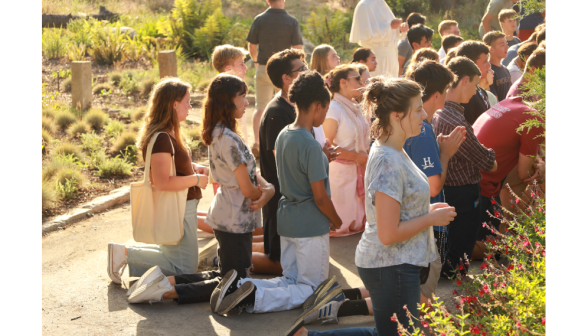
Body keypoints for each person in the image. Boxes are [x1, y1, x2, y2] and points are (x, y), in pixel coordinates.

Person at [291, 77, 457, 336]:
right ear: (396, 114)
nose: (424, 114)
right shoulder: (388, 160)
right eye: (417, 109)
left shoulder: (394, 149)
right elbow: (388, 234)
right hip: (391, 266)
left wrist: (427, 213)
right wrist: (429, 219)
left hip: (398, 265)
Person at [210, 71, 345, 319]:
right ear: (317, 106)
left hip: (288, 220)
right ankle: (252, 296)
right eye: (326, 110)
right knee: (311, 289)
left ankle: (238, 287)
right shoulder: (311, 144)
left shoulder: (284, 134)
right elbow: (320, 197)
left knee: (290, 279)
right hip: (310, 224)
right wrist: (336, 221)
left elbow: (294, 171)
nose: (325, 115)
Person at [107, 78, 209, 284]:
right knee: (184, 268)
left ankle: (122, 252)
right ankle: (126, 253)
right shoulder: (162, 137)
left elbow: (173, 167)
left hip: (181, 204)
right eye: (187, 102)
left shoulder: (170, 133)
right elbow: (162, 182)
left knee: (175, 256)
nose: (190, 107)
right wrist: (196, 179)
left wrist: (192, 167)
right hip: (178, 205)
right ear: (174, 104)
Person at [403, 60, 466, 309]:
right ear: (438, 94)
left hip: (410, 219)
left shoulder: (410, 124)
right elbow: (433, 187)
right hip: (425, 223)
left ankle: (343, 301)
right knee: (419, 298)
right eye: (448, 91)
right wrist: (446, 154)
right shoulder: (423, 130)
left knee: (404, 288)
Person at [432, 57, 497, 277]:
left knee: (455, 242)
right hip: (463, 192)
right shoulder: (454, 120)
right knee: (460, 251)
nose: (476, 91)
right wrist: (493, 154)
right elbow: (487, 163)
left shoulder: (441, 112)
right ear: (465, 80)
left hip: (450, 189)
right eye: (476, 84)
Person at [257, 48, 309, 276]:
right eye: (302, 70)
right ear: (286, 79)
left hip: (293, 200)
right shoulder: (278, 113)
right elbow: (285, 162)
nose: (307, 73)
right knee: (282, 265)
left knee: (294, 261)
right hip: (282, 203)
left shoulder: (293, 106)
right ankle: (227, 257)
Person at [472, 96, 544, 247]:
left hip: (470, 174)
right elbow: (525, 173)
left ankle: (506, 226)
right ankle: (512, 228)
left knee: (532, 167)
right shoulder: (535, 120)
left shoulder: (513, 102)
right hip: (481, 183)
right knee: (539, 175)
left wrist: (539, 161)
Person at [246, 0, 303, 159]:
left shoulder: (259, 19)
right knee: (288, 103)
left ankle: (258, 143)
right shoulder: (292, 21)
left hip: (264, 67)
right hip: (286, 71)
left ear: (268, 1)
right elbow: (298, 48)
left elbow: (252, 46)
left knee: (260, 107)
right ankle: (284, 141)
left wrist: (257, 61)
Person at [322, 64, 371, 237]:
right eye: (357, 78)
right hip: (340, 173)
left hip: (357, 168)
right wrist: (357, 157)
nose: (361, 82)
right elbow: (326, 146)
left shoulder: (354, 106)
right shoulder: (333, 108)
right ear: (343, 82)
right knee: (341, 223)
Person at [349, 0, 408, 77]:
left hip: (392, 58)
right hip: (376, 59)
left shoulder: (381, 3)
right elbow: (366, 36)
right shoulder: (364, 6)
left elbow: (391, 31)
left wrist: (400, 29)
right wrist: (390, 27)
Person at [455, 41, 492, 125]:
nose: (489, 65)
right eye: (485, 61)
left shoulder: (480, 90)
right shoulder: (466, 97)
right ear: (471, 64)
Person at [483, 31, 512, 102]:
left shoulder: (505, 69)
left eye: (506, 43)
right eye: (502, 45)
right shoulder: (489, 72)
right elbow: (494, 101)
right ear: (491, 49)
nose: (507, 47)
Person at [397, 12, 427, 76]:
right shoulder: (405, 43)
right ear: (413, 25)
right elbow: (399, 67)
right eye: (422, 25)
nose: (423, 28)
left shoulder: (415, 41)